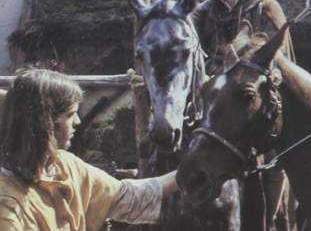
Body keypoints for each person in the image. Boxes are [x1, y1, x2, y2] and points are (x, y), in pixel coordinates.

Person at [190, 0, 292, 231]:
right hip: (215, 102)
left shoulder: (265, 7)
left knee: (273, 157)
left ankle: (269, 219)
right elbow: (193, 58)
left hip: (257, 100)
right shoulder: (203, 13)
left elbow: (282, 62)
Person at [0, 68, 179, 230]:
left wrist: (183, 174)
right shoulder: (7, 206)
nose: (77, 121)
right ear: (45, 122)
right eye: (70, 114)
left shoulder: (63, 165)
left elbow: (127, 197)